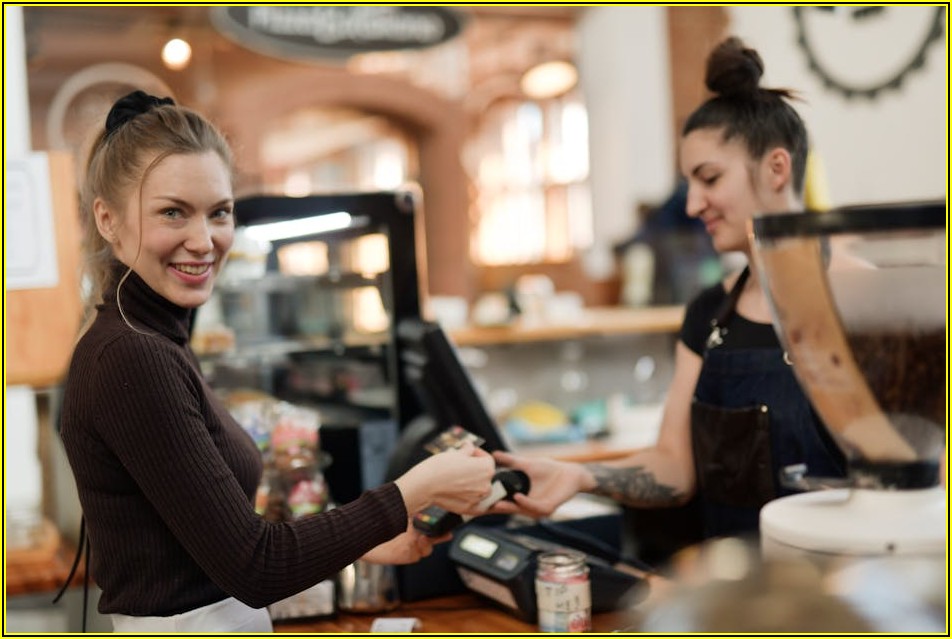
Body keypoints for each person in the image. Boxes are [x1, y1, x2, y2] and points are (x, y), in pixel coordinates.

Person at [57, 90, 496, 632]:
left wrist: (362, 545)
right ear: (107, 219)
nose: (204, 240)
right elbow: (255, 565)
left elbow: (206, 539)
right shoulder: (132, 355)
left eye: (219, 213)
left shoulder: (153, 336)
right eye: (173, 213)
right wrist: (417, 490)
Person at [493, 37, 847, 543]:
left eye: (709, 178)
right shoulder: (709, 315)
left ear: (776, 168)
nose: (692, 204)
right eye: (690, 182)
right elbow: (674, 469)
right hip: (734, 605)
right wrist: (581, 476)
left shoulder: (866, 301)